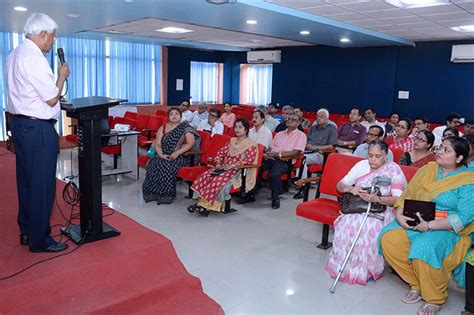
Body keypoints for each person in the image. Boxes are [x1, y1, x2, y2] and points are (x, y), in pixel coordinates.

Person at [379, 136, 474, 315]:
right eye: (440, 148)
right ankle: (417, 284)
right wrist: (399, 214)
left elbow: (464, 217)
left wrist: (429, 226)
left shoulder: (469, 180)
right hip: (417, 219)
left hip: (448, 229)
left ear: (459, 158)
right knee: (389, 239)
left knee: (424, 248)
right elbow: (407, 195)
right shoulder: (428, 169)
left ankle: (434, 297)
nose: (439, 152)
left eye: (447, 150)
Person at [6, 13, 70, 253]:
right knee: (42, 185)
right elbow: (53, 96)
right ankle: (40, 240)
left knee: (26, 182)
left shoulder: (14, 54)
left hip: (20, 126)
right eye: (52, 38)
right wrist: (61, 76)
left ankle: (27, 230)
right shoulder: (33, 57)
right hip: (38, 129)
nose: (52, 43)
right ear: (43, 34)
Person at [326, 140, 407, 284]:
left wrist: (378, 198)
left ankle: (367, 269)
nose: (373, 160)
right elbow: (340, 185)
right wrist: (350, 189)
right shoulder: (360, 165)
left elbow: (398, 200)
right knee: (346, 225)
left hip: (381, 209)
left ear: (386, 156)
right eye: (370, 156)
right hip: (357, 206)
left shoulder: (393, 169)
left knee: (368, 228)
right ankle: (345, 266)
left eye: (378, 156)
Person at [189, 119, 258, 216]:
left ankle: (205, 206)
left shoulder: (251, 144)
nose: (237, 129)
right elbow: (220, 153)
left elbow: (249, 160)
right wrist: (218, 162)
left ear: (246, 129)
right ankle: (202, 205)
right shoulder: (232, 141)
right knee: (206, 175)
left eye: (240, 127)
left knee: (218, 180)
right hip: (223, 168)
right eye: (236, 127)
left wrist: (233, 165)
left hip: (237, 171)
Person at [142, 108, 200, 204]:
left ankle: (166, 195)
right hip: (163, 154)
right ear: (168, 117)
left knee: (166, 165)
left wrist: (176, 153)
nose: (174, 116)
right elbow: (157, 144)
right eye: (171, 114)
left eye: (177, 114)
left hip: (182, 155)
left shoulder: (186, 128)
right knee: (153, 163)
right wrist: (161, 155)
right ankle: (152, 194)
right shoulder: (163, 127)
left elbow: (190, 143)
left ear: (181, 116)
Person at [252, 113, 307, 209]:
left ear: (298, 123)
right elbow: (271, 148)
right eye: (288, 119)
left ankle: (275, 198)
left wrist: (278, 154)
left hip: (286, 161)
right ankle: (251, 193)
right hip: (272, 158)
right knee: (256, 166)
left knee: (274, 174)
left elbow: (296, 153)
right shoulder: (279, 134)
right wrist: (267, 154)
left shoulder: (301, 135)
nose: (289, 121)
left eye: (293, 120)